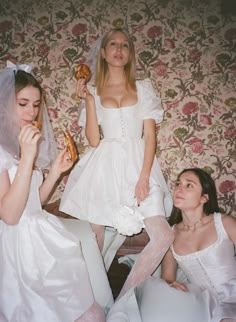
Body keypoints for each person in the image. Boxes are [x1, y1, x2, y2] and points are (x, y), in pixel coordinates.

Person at [59, 27, 174, 299]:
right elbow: (93, 141)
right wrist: (88, 99)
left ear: (130, 53)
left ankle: (124, 299)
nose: (119, 49)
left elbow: (150, 137)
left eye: (125, 45)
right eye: (113, 44)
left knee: (163, 235)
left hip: (138, 164)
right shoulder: (94, 91)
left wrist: (144, 177)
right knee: (94, 236)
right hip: (104, 165)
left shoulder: (143, 87)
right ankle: (94, 301)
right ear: (103, 52)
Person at [0, 63, 106, 322]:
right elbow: (10, 216)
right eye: (23, 103)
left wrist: (57, 171)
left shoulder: (20, 143)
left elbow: (34, 200)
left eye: (36, 105)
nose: (31, 112)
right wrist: (27, 158)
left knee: (93, 314)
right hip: (18, 250)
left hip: (41, 238)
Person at [107, 168, 236, 322]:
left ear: (204, 198)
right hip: (203, 305)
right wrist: (172, 285)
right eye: (177, 184)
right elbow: (167, 278)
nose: (179, 189)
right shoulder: (171, 234)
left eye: (189, 185)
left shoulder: (224, 223)